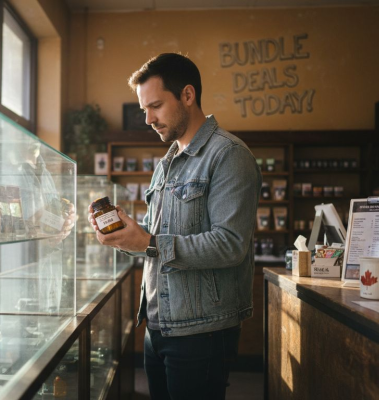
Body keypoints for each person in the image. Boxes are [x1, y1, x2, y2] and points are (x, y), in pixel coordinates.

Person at [88, 53, 261, 399]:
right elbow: (153, 239)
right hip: (157, 326)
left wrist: (148, 242)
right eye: (143, 111)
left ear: (187, 95)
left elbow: (230, 245)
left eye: (155, 106)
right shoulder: (165, 165)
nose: (148, 119)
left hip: (203, 332)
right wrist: (123, 234)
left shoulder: (229, 155)